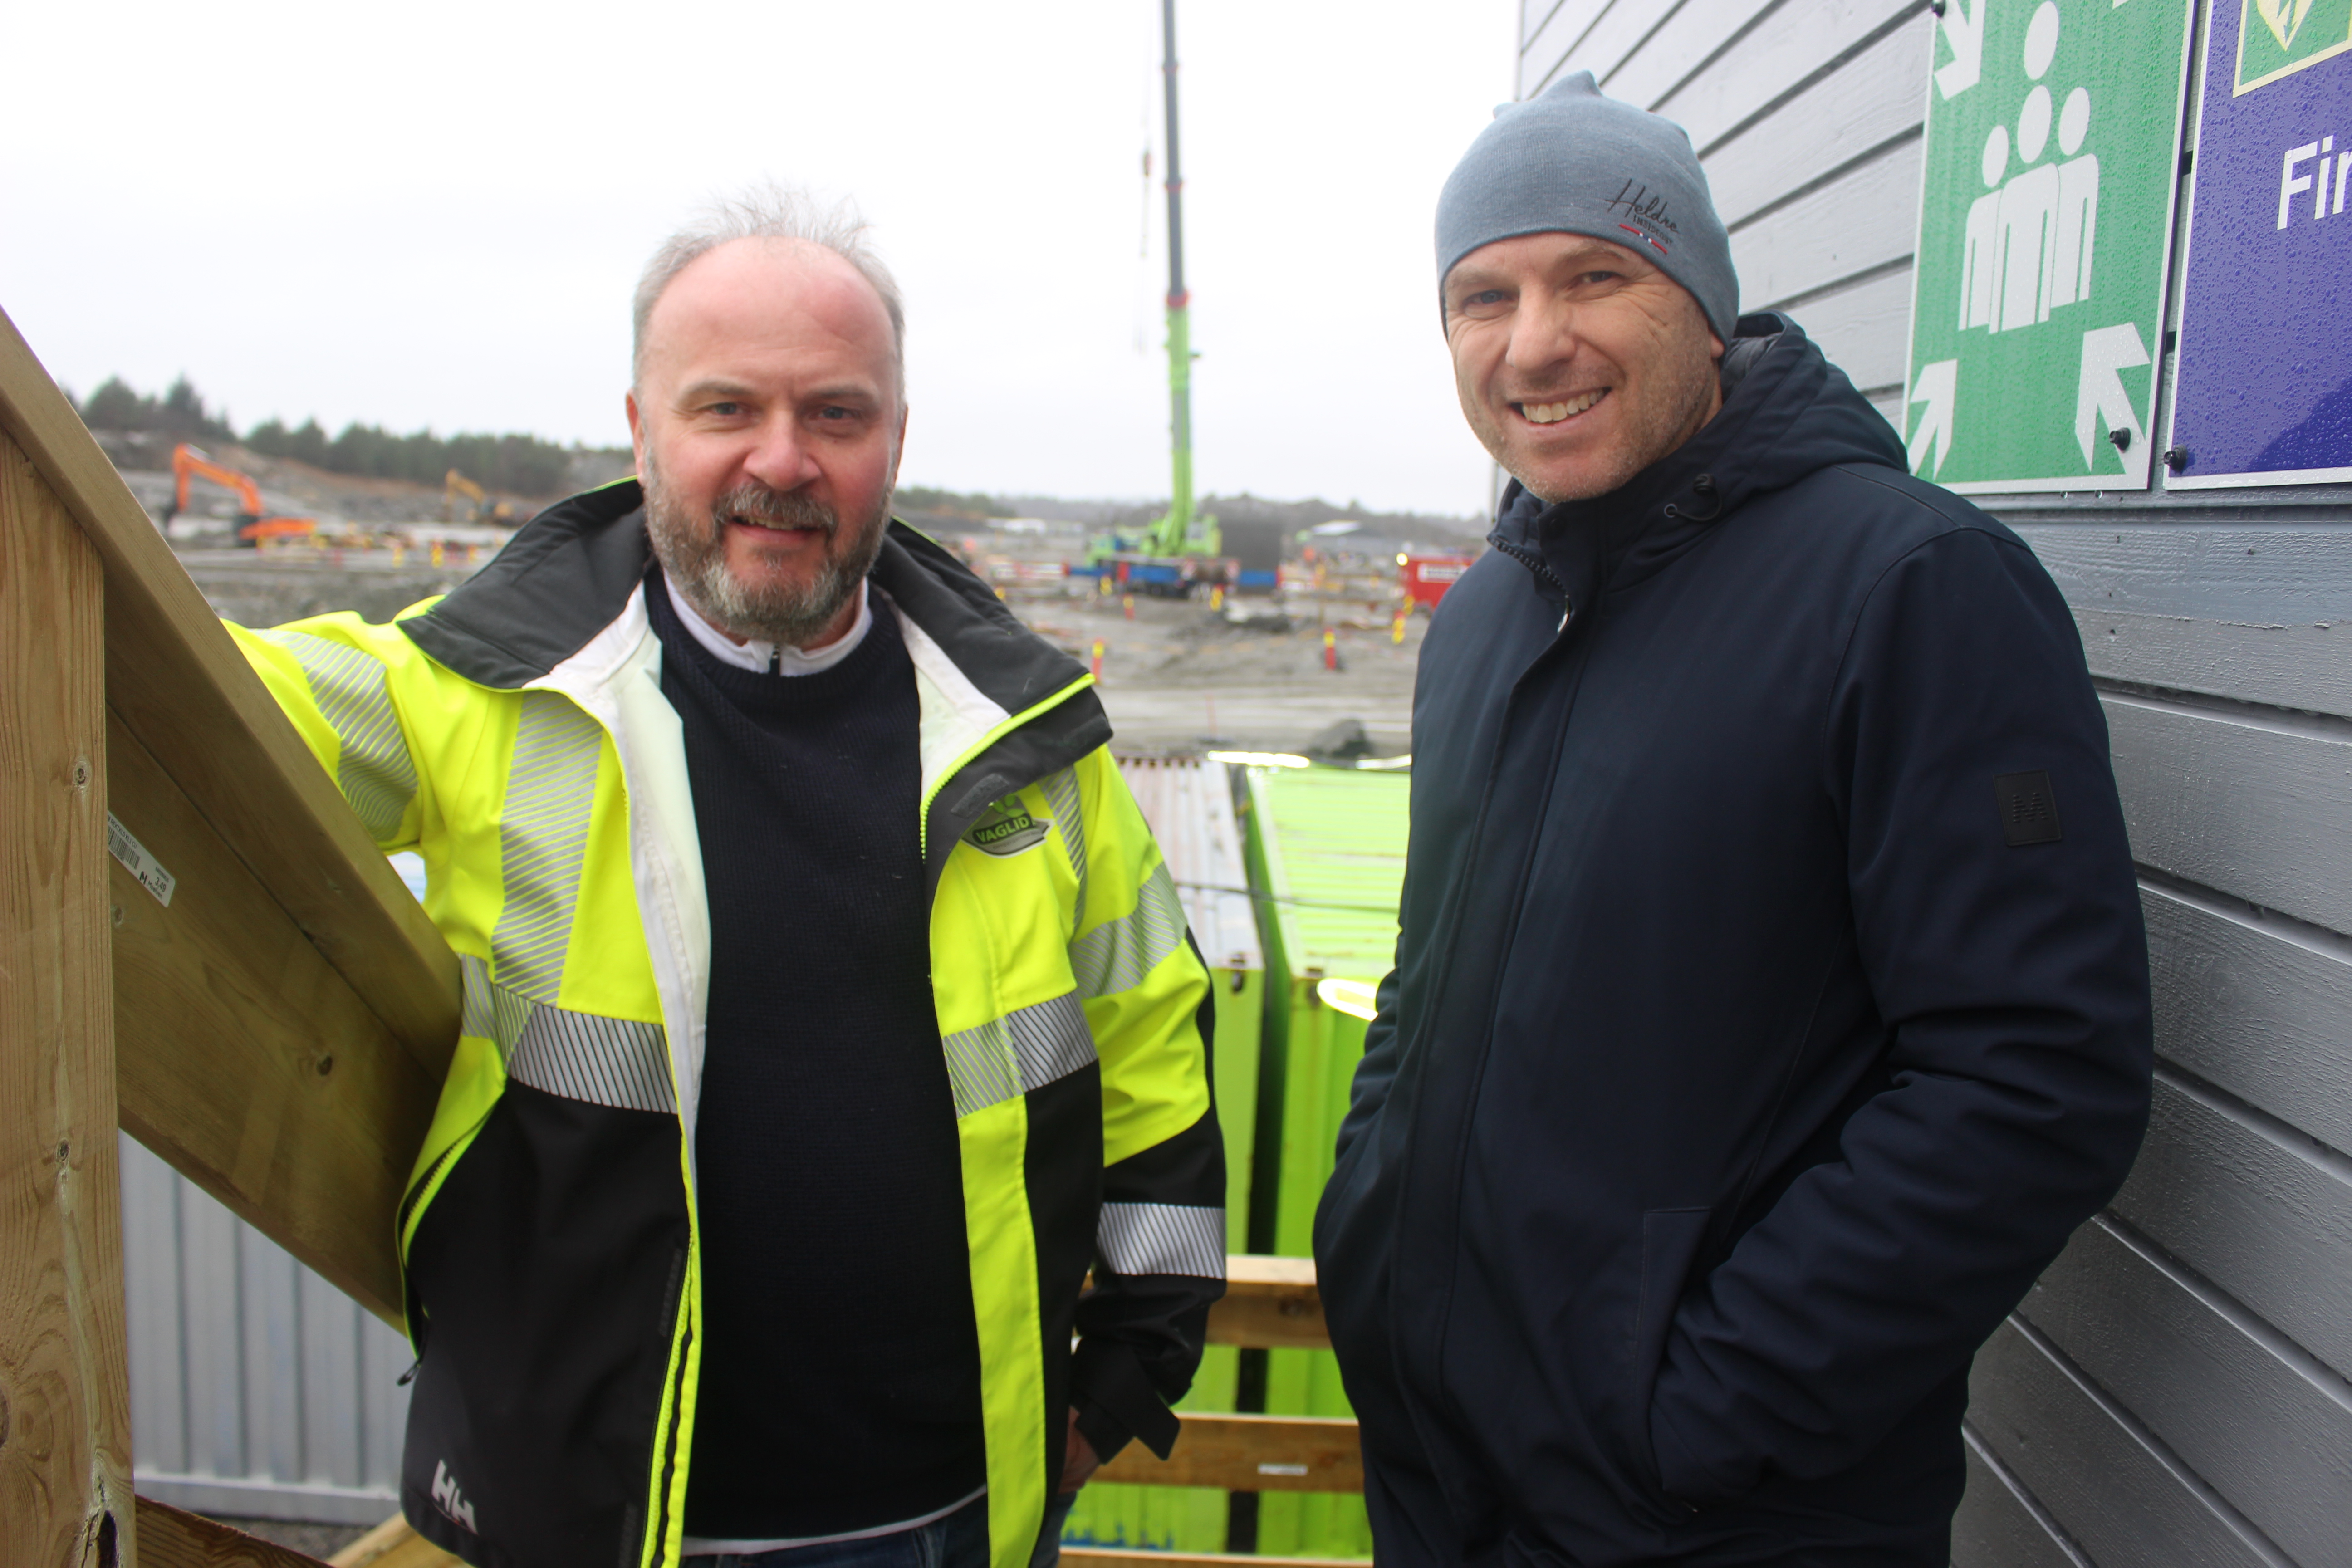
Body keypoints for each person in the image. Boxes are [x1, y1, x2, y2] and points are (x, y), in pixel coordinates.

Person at [231, 186, 1227, 1568]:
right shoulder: (481, 692)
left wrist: (1123, 1382)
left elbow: (1153, 1055)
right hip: (602, 1526)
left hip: (958, 1523)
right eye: (723, 410)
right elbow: (168, 690)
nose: (785, 460)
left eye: (836, 413)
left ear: (896, 439)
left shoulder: (1029, 745)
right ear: (639, 432)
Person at [1313, 74, 2152, 1567]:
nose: (1533, 341)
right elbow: (1427, 992)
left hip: (1717, 1514)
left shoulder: (1911, 590)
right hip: (1447, 1481)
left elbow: (2035, 1075)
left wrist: (1701, 1411)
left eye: (1596, 276)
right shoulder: (1488, 617)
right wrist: (1366, 1232)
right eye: (1480, 295)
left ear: (1704, 304)